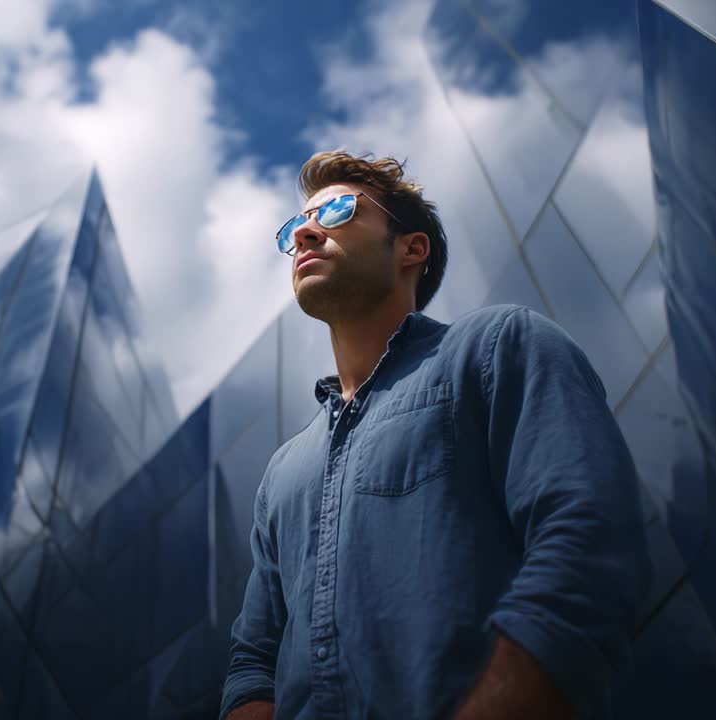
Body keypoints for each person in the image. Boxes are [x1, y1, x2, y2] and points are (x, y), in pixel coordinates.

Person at [219, 151, 651, 719]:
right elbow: (254, 660)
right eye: (293, 226)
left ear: (411, 249)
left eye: (339, 210)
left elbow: (589, 538)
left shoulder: (497, 349)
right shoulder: (283, 471)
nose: (303, 230)